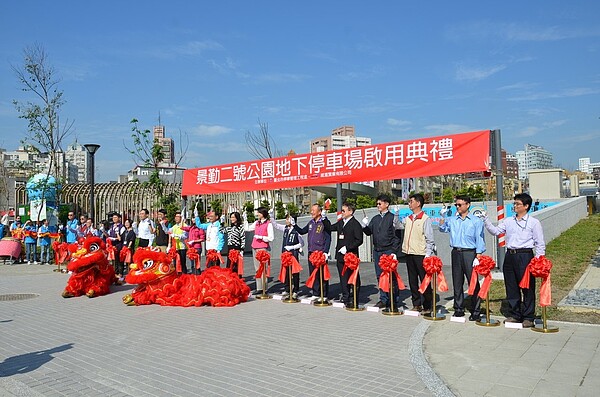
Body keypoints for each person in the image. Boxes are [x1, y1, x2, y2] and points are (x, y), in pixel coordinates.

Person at [483, 193, 545, 328]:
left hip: (525, 255)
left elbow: (540, 243)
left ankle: (528, 316)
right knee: (511, 286)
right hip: (510, 255)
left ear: (526, 206)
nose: (515, 206)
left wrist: (539, 261)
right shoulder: (508, 221)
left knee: (527, 287)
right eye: (514, 203)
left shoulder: (534, 223)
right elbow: (495, 231)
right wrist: (486, 220)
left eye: (518, 204)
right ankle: (515, 314)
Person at [439, 195, 485, 321]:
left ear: (468, 205)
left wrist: (478, 255)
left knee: (473, 281)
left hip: (470, 252)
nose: (458, 207)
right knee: (457, 281)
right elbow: (442, 229)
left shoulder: (475, 221)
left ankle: (476, 310)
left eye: (460, 204)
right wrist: (442, 217)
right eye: (456, 205)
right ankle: (458, 308)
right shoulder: (453, 219)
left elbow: (480, 239)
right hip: (456, 252)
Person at [362, 194, 402, 309]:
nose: (378, 205)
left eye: (380, 203)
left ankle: (394, 299)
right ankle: (383, 299)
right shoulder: (375, 218)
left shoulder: (392, 217)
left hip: (388, 250)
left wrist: (394, 251)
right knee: (380, 276)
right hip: (377, 250)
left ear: (387, 204)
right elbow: (369, 232)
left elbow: (397, 235)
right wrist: (364, 226)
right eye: (377, 203)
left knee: (390, 275)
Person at [400, 193, 435, 313]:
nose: (409, 203)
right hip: (409, 252)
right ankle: (416, 304)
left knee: (424, 280)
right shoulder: (408, 218)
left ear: (418, 203)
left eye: (411, 201)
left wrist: (428, 254)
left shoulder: (425, 219)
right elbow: (397, 225)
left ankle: (428, 305)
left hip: (421, 254)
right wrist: (395, 214)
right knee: (412, 280)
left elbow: (430, 238)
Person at [293, 203, 332, 299]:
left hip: (320, 252)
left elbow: (328, 238)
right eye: (311, 210)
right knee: (313, 273)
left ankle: (324, 294)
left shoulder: (324, 223)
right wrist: (294, 225)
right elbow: (302, 231)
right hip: (311, 252)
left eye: (313, 210)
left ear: (319, 212)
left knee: (322, 274)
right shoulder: (311, 222)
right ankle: (315, 293)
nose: (311, 212)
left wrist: (326, 251)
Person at [332, 202, 364, 308]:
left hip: (351, 256)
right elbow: (330, 227)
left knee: (353, 277)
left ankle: (354, 297)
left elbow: (359, 240)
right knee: (343, 277)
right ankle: (345, 297)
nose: (342, 213)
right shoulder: (341, 222)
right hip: (340, 255)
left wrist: (348, 247)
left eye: (344, 211)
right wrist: (324, 219)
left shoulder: (355, 224)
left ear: (350, 211)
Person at [271, 214, 304, 298]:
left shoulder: (296, 231)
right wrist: (271, 216)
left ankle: (296, 289)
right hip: (285, 254)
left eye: (288, 219)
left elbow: (301, 243)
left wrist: (292, 247)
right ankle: (287, 288)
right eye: (286, 219)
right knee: (286, 272)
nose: (286, 221)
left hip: (293, 254)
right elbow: (276, 225)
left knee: (294, 272)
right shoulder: (285, 228)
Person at [244, 207, 274, 294]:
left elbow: (271, 238)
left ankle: (264, 288)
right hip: (255, 247)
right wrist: (245, 219)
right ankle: (259, 288)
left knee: (263, 268)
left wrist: (261, 237)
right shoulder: (256, 223)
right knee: (257, 268)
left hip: (263, 248)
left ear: (263, 214)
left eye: (259, 213)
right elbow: (247, 229)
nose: (257, 214)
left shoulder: (268, 224)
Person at [221, 212, 245, 276]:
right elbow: (221, 231)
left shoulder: (240, 227)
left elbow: (243, 238)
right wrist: (222, 222)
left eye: (233, 217)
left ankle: (237, 280)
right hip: (230, 248)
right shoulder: (229, 228)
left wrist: (242, 250)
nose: (232, 219)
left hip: (237, 248)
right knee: (229, 265)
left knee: (236, 265)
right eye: (231, 217)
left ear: (237, 218)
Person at [108, 213, 126, 281]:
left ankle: (120, 274)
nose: (114, 219)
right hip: (113, 245)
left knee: (119, 260)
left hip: (119, 245)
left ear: (119, 218)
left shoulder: (122, 227)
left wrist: (117, 233)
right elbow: (109, 235)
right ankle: (115, 273)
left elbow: (121, 238)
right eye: (113, 218)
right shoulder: (112, 226)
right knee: (114, 260)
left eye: (115, 217)